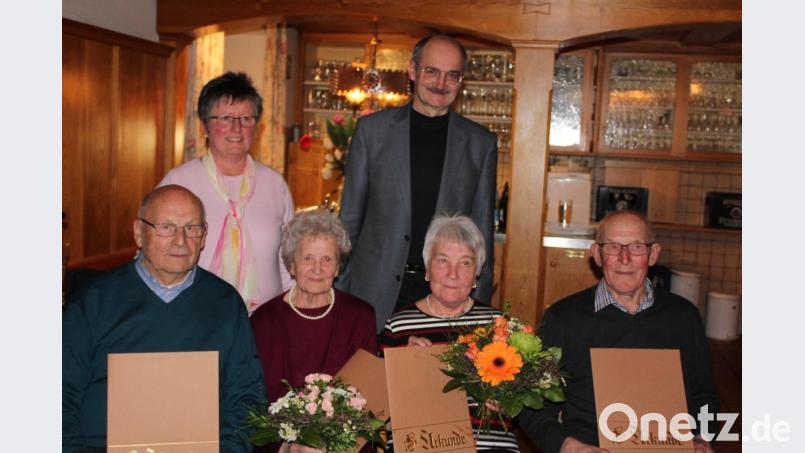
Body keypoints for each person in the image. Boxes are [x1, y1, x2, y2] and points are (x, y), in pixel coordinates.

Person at [63, 185, 264, 452]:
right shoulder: (93, 303)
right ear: (138, 232)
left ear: (204, 236)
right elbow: (60, 396)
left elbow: (246, 398)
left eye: (192, 228)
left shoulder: (226, 305)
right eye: (166, 227)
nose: (181, 240)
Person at [518, 210, 718, 453]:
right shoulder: (563, 319)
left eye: (636, 247)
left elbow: (703, 398)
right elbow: (532, 406)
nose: (625, 259)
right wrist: (569, 446)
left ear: (653, 254)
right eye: (613, 247)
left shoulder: (683, 317)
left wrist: (702, 438)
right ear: (597, 255)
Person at [337, 34, 498, 332]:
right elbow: (349, 222)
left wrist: (479, 307)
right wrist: (341, 293)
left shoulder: (480, 143)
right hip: (373, 289)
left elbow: (482, 236)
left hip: (445, 293)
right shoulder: (372, 132)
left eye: (452, 75)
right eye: (431, 71)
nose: (441, 83)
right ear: (412, 71)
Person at [380, 214, 519, 452]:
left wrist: (505, 400)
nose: (453, 274)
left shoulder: (497, 325)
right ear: (427, 268)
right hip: (420, 444)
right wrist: (406, 372)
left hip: (487, 446)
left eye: (465, 263)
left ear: (477, 273)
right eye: (443, 260)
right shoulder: (398, 326)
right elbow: (379, 405)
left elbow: (523, 402)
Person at [159, 71, 294, 314]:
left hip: (265, 321)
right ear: (204, 126)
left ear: (257, 126)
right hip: (194, 317)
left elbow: (287, 261)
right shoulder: (178, 183)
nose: (236, 128)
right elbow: (154, 256)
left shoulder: (275, 184)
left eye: (245, 118)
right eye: (225, 118)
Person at [250, 209, 378, 453]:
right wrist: (289, 446)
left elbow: (367, 397)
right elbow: (256, 403)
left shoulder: (360, 316)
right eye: (308, 258)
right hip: (281, 446)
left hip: (346, 445)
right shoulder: (264, 322)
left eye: (327, 260)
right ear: (291, 266)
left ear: (338, 268)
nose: (317, 269)